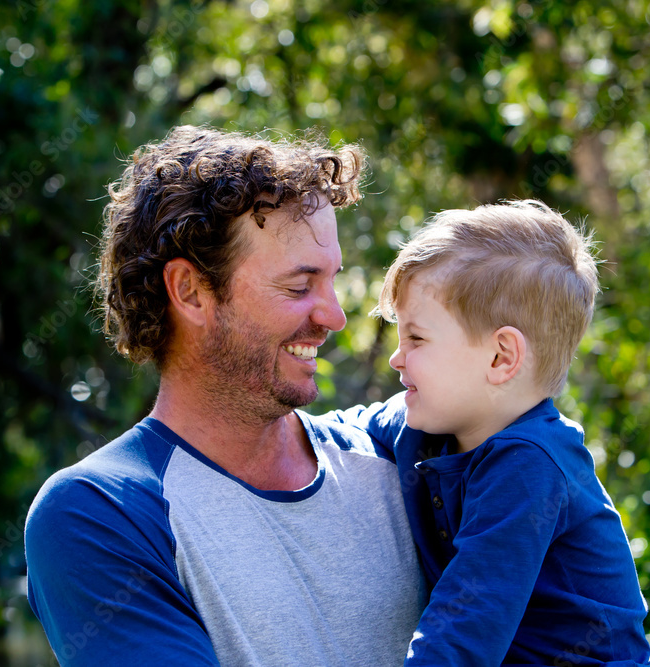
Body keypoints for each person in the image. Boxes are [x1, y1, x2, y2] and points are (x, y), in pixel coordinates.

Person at [24, 125, 425, 666]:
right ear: (190, 292)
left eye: (333, 279)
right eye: (299, 286)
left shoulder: (396, 451)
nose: (334, 316)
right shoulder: (100, 512)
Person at [334, 201, 650, 665]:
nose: (396, 357)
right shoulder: (426, 426)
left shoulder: (530, 464)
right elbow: (336, 430)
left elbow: (463, 630)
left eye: (417, 338)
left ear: (500, 357)